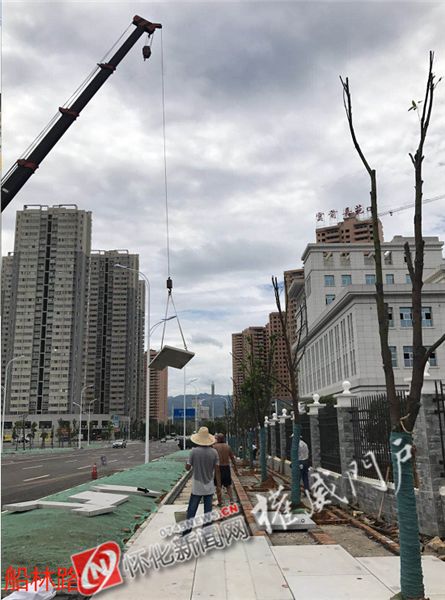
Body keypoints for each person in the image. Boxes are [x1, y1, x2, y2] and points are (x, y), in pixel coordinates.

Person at [183, 427, 220, 536]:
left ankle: (187, 532)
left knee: (192, 509)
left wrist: (189, 462)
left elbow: (187, 468)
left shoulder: (193, 451)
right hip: (209, 485)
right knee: (208, 511)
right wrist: (218, 484)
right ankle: (207, 532)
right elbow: (217, 470)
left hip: (197, 486)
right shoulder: (214, 452)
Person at [213, 433, 238, 506]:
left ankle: (220, 501)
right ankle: (231, 500)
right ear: (223, 439)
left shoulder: (214, 447)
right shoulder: (228, 447)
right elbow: (232, 458)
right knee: (228, 485)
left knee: (218, 485)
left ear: (217, 439)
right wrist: (235, 468)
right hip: (226, 467)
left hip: (218, 467)